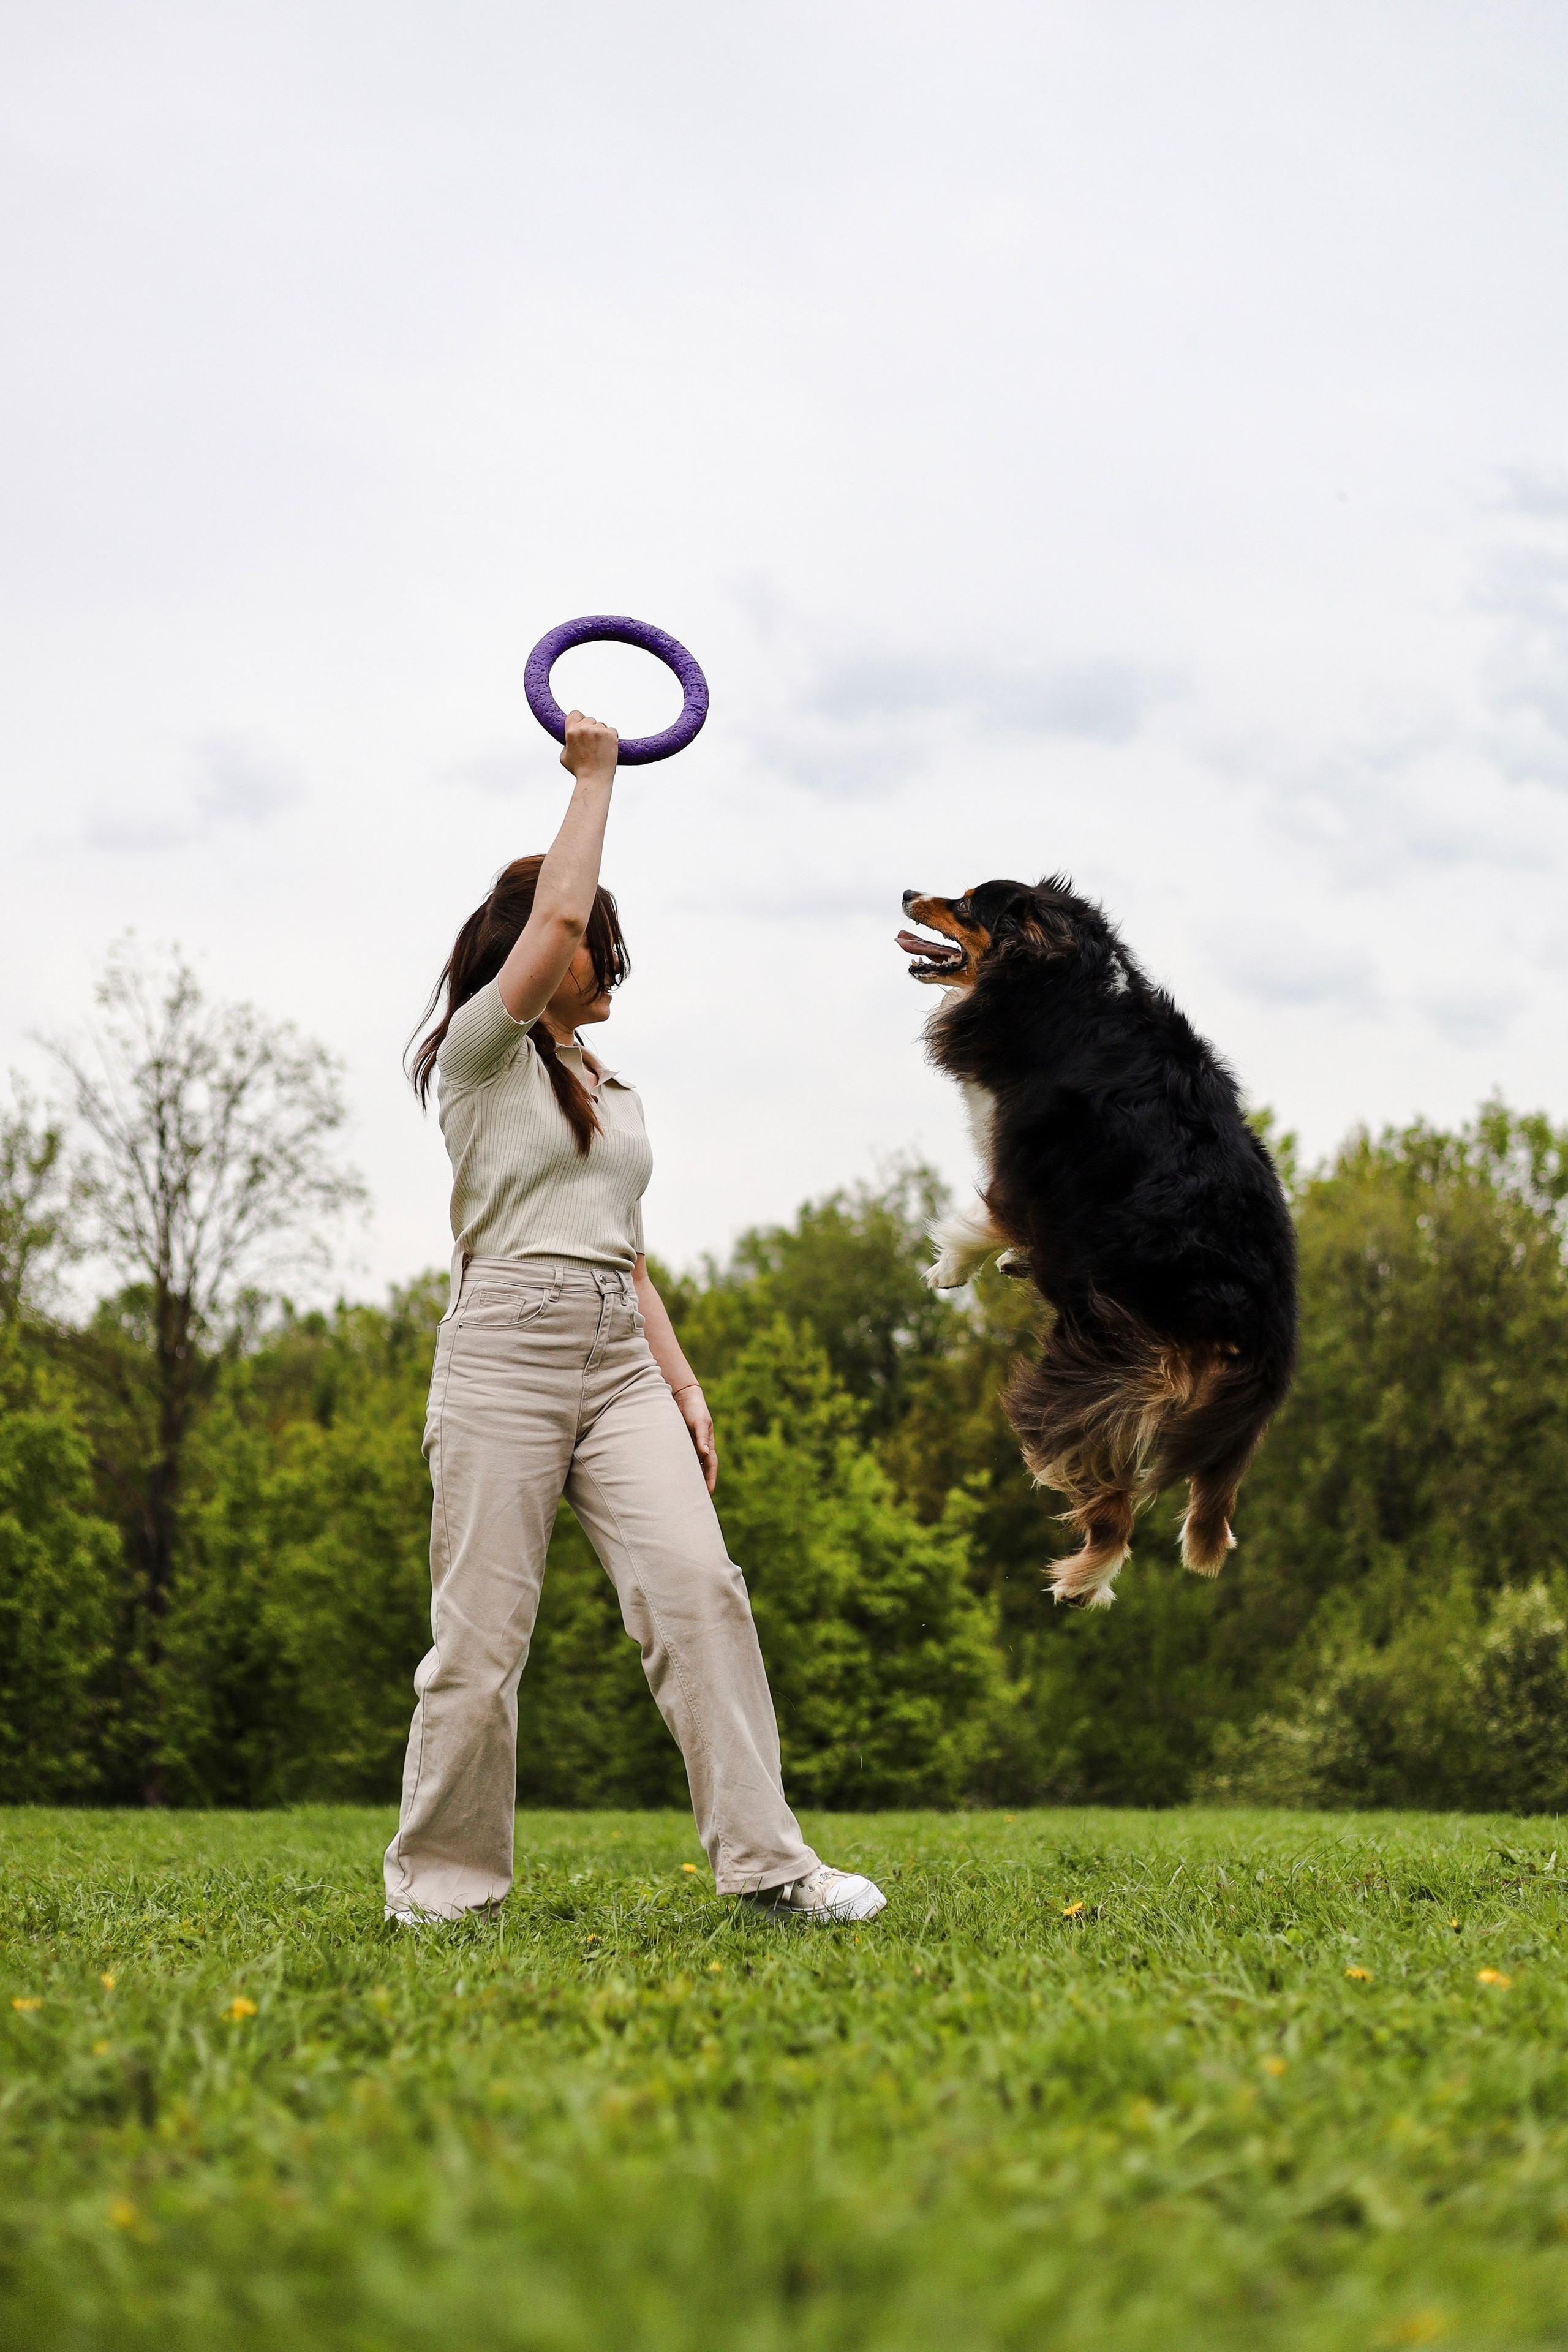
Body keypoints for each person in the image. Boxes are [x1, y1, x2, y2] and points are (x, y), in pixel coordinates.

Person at [384, 707, 886, 1928]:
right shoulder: (476, 1052)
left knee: (699, 1592)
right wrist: (597, 775)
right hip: (504, 1345)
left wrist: (683, 1386)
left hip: (616, 1357)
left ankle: (768, 1868)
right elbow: (554, 911)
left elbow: (632, 1260)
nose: (606, 963)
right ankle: (443, 1891)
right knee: (479, 1642)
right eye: (596, 945)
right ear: (542, 953)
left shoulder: (608, 1086)